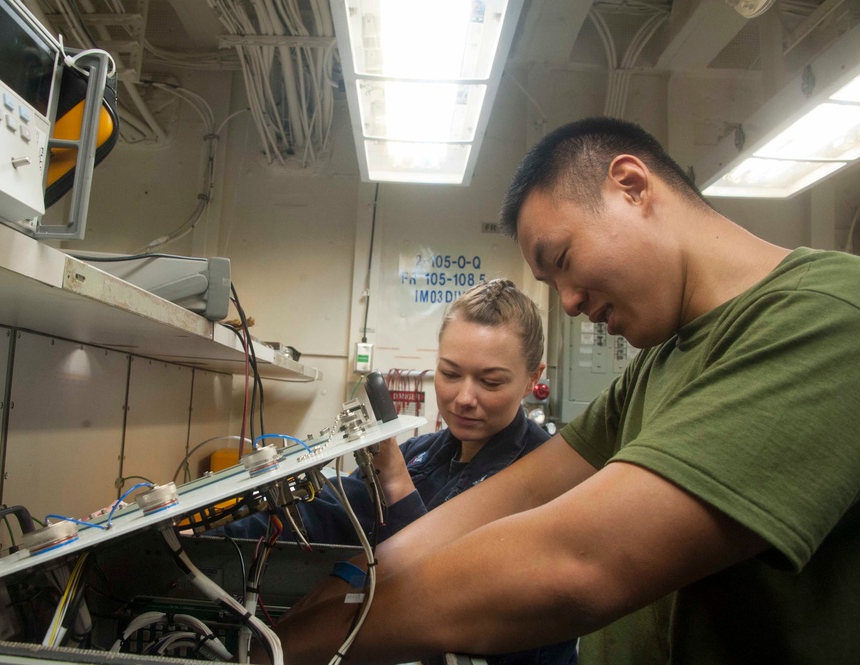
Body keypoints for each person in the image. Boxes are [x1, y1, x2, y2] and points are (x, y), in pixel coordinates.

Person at [269, 116, 860, 665]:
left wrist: (299, 647)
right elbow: (506, 500)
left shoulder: (831, 315)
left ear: (630, 185)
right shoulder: (656, 367)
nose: (571, 304)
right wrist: (339, 589)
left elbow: (578, 563)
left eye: (563, 259)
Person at [217, 278, 578, 663]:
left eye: (490, 381)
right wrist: (214, 526)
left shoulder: (548, 475)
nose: (464, 398)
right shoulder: (426, 453)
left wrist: (397, 484)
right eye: (451, 373)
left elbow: (448, 591)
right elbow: (334, 507)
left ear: (531, 378)